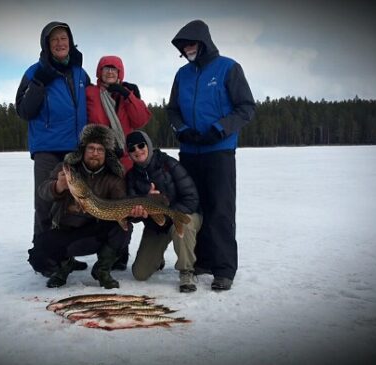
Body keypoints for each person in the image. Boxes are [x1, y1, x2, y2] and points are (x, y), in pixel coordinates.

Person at [167, 20, 256, 291]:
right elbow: (172, 110)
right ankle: (202, 261)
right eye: (183, 47)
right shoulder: (182, 74)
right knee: (194, 209)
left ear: (203, 42)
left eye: (191, 44)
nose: (187, 49)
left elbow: (246, 107)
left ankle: (223, 268)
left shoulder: (228, 68)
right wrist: (182, 130)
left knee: (220, 210)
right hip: (191, 152)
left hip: (219, 152)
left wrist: (220, 130)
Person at [15, 21, 90, 275]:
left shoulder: (80, 73)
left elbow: (93, 103)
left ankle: (65, 255)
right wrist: (39, 84)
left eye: (64, 38)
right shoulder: (34, 72)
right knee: (45, 202)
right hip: (47, 148)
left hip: (75, 148)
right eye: (54, 39)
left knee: (70, 204)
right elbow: (23, 110)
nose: (60, 43)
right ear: (46, 45)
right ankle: (44, 258)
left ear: (70, 41)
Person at [32, 124, 132, 289]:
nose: (95, 153)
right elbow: (43, 191)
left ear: (106, 153)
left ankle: (102, 270)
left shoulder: (113, 177)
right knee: (38, 257)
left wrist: (134, 212)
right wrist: (58, 186)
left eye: (100, 149)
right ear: (83, 150)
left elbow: (121, 204)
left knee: (124, 228)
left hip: (96, 232)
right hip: (68, 231)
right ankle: (65, 265)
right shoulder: (67, 170)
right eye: (91, 148)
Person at [86, 55, 152, 271]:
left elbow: (141, 120)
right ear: (99, 72)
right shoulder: (90, 93)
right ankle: (109, 254)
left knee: (134, 208)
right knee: (105, 210)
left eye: (114, 69)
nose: (110, 72)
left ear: (121, 72)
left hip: (126, 163)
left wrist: (128, 95)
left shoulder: (127, 94)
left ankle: (146, 253)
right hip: (102, 160)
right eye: (106, 68)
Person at [125, 131, 202, 293]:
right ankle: (156, 259)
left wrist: (164, 209)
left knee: (182, 226)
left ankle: (187, 272)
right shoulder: (131, 177)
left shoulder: (169, 164)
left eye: (141, 145)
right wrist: (139, 210)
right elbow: (131, 210)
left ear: (148, 145)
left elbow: (192, 198)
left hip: (184, 215)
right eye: (132, 149)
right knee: (140, 273)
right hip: (157, 225)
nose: (137, 151)